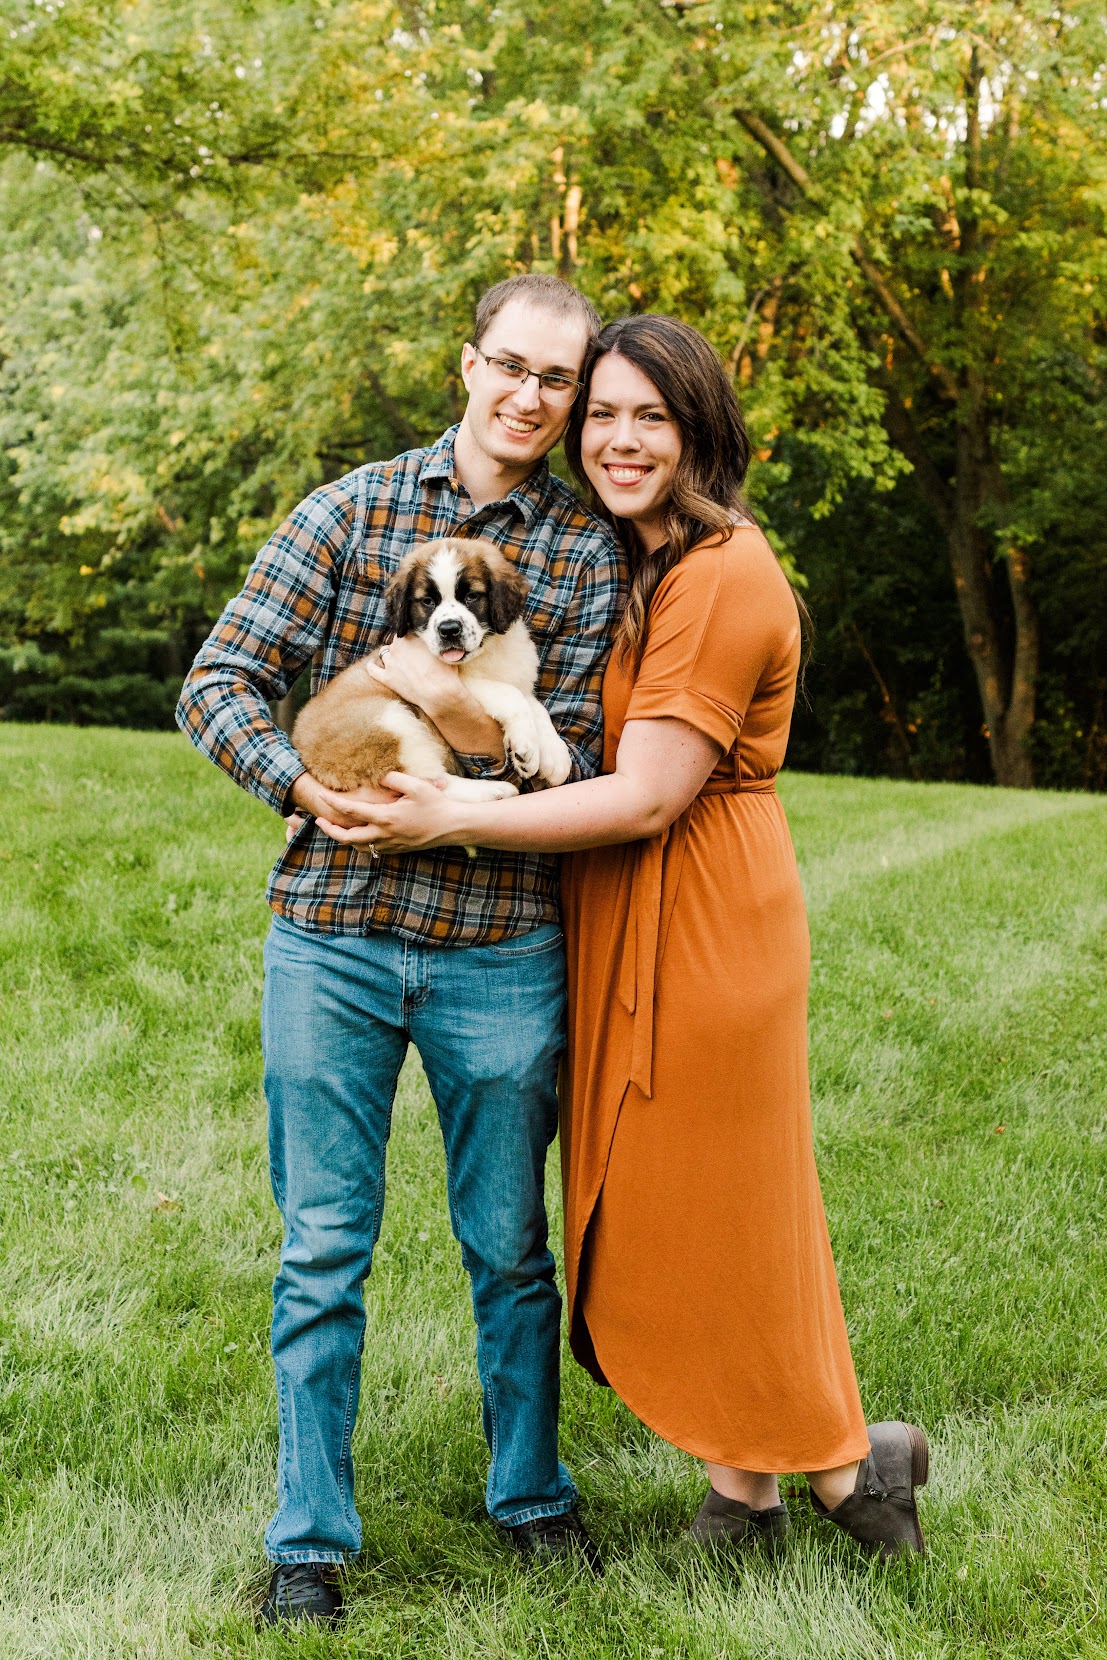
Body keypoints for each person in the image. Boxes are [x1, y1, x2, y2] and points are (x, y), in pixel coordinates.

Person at [323, 314, 930, 1563]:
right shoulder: (626, 562)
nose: (615, 435)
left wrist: (449, 819)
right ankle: (746, 1490)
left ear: (700, 425)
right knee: (677, 1207)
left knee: (725, 1203)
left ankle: (848, 1470)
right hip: (618, 908)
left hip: (700, 908)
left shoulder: (722, 571)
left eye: (648, 414)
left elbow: (650, 792)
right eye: (600, 412)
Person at [176, 274, 625, 1627]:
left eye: (558, 379)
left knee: (509, 1242)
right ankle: (308, 1539)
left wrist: (456, 720)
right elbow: (216, 682)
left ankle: (531, 1499)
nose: (530, 397)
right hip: (336, 940)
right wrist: (303, 790)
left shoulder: (586, 549)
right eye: (512, 366)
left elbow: (583, 761)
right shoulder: (348, 510)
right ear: (469, 364)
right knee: (323, 1244)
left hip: (498, 945)